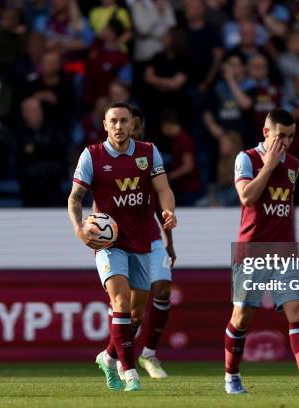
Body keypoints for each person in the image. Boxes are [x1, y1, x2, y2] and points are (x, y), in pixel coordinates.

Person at [224, 108, 299, 394]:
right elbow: (247, 198)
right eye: (280, 136)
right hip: (251, 250)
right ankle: (231, 375)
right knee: (241, 317)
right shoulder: (246, 158)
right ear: (266, 133)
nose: (285, 142)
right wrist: (270, 165)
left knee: (298, 309)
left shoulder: (295, 164)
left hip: (284, 250)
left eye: (290, 136)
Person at [68, 102, 177, 392]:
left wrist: (168, 211)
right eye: (113, 121)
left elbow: (163, 189)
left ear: (133, 125)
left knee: (137, 315)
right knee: (121, 303)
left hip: (142, 240)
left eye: (124, 121)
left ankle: (108, 356)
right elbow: (75, 198)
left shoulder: (148, 152)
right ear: (105, 124)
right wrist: (80, 230)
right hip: (109, 242)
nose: (118, 126)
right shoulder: (91, 156)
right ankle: (130, 373)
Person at [113, 107, 176, 379]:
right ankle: (116, 355)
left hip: (151, 238)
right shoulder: (110, 160)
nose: (130, 130)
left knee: (162, 290)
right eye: (127, 124)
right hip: (121, 241)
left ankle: (149, 354)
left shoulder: (148, 157)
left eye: (135, 126)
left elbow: (162, 200)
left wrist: (169, 242)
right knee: (131, 311)